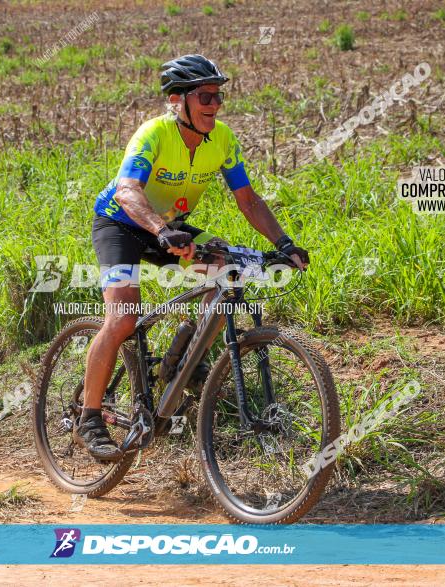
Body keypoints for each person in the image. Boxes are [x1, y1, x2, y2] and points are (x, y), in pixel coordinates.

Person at [77, 54, 309, 461]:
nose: (214, 106)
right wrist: (163, 231)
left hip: (171, 228)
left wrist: (285, 243)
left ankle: (184, 357)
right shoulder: (153, 134)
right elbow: (127, 191)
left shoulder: (221, 139)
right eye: (205, 96)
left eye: (218, 97)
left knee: (226, 272)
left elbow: (249, 201)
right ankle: (90, 416)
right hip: (121, 223)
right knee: (123, 318)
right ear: (176, 100)